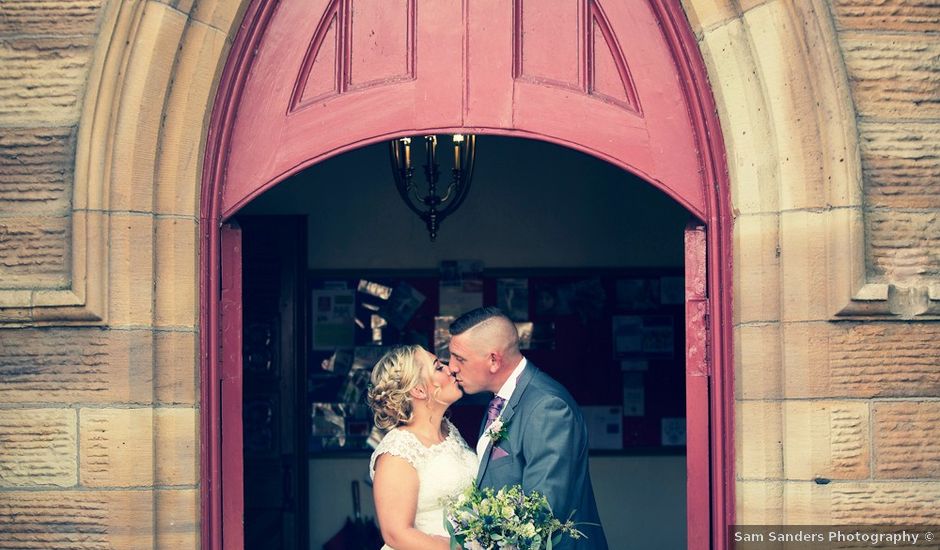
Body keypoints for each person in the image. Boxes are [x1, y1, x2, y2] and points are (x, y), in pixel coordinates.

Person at [448, 307, 609, 550]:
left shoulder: (548, 407)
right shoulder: (500, 400)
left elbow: (542, 511)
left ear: (494, 359)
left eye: (459, 358)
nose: (452, 367)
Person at [366, 345, 477, 550]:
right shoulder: (397, 452)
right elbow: (396, 534)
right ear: (418, 390)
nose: (450, 369)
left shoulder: (449, 431)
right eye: (438, 367)